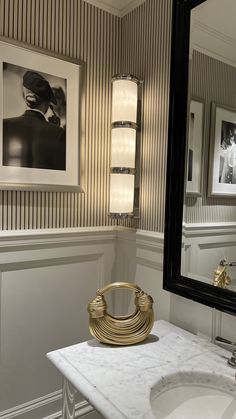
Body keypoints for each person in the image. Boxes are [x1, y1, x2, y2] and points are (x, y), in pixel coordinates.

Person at [3, 71, 66, 171]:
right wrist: (56, 129)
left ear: (26, 97)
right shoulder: (59, 133)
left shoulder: (3, 125)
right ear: (47, 104)